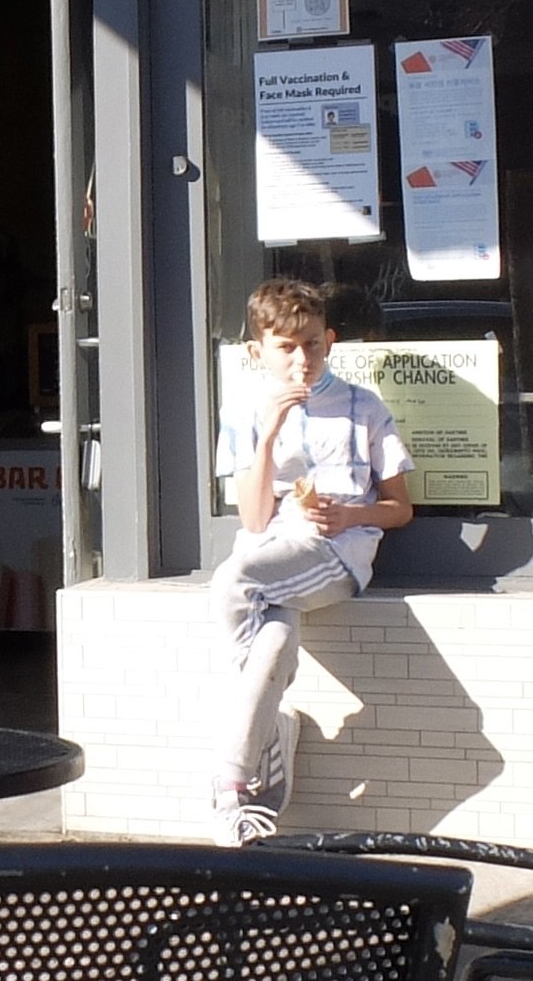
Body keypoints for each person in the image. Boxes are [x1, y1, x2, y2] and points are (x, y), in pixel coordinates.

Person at [210, 277, 414, 846]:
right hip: (270, 553)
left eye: (313, 345)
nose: (302, 359)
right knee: (272, 648)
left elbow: (400, 509)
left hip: (334, 553)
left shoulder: (362, 407)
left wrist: (351, 517)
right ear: (258, 352)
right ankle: (269, 733)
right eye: (286, 347)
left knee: (232, 580)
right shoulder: (246, 411)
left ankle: (230, 781)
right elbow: (252, 522)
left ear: (330, 341)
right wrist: (271, 430)